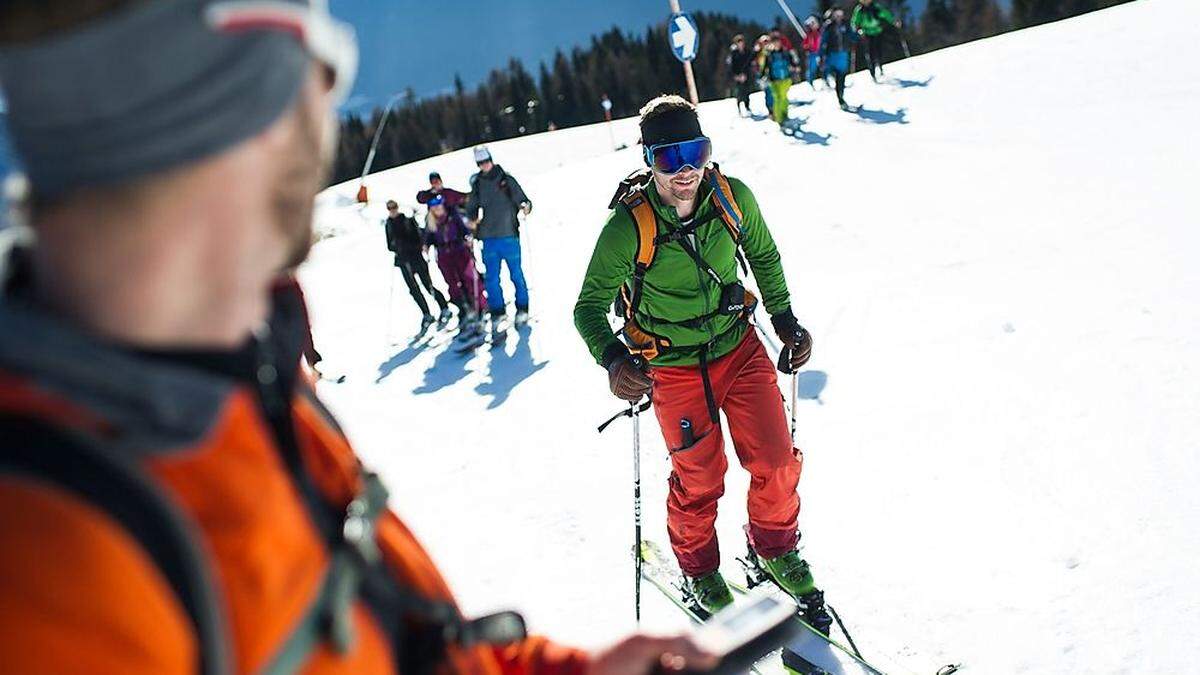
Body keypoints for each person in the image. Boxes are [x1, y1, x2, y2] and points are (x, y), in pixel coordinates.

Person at [0, 2, 715, 674]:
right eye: (319, 44)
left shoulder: (251, 382)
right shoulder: (50, 572)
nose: (331, 89)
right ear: (247, 89)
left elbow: (398, 643)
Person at [573, 95, 830, 632]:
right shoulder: (628, 228)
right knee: (700, 477)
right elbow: (588, 308)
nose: (686, 169)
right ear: (649, 160)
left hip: (737, 350)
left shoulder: (732, 199)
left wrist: (786, 321)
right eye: (670, 157)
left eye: (696, 151)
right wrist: (614, 359)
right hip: (672, 367)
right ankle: (699, 570)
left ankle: (775, 551)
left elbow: (764, 255)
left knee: (777, 461)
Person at [465, 145, 532, 334]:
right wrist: (470, 220)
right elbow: (471, 207)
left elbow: (523, 199)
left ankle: (523, 308)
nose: (484, 165)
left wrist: (525, 206)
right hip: (488, 238)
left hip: (509, 235)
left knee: (515, 274)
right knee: (491, 279)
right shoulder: (477, 183)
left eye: (486, 161)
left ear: (491, 159)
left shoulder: (506, 179)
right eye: (480, 163)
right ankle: (498, 311)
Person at [385, 199, 451, 331]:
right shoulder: (389, 224)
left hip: (416, 257)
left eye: (394, 207)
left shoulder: (408, 220)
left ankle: (444, 307)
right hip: (403, 261)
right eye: (390, 208)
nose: (393, 210)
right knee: (413, 289)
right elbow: (389, 245)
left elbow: (419, 239)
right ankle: (426, 314)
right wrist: (396, 246)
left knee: (427, 285)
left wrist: (406, 245)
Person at [427, 193, 487, 337]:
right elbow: (428, 237)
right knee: (453, 284)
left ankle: (479, 307)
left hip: (460, 251)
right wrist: (426, 245)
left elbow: (463, 229)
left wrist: (467, 237)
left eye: (438, 206)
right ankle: (464, 310)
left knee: (469, 279)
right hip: (444, 255)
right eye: (434, 207)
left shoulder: (453, 216)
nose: (437, 209)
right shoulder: (431, 222)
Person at [851, 0, 901, 82]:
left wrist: (893, 21)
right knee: (870, 53)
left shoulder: (876, 7)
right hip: (867, 33)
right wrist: (856, 29)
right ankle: (872, 71)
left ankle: (880, 66)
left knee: (879, 51)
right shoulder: (859, 10)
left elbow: (886, 14)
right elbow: (854, 21)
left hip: (877, 31)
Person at [822, 6, 861, 110]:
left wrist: (857, 36)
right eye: (837, 15)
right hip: (832, 54)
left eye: (841, 14)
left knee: (841, 77)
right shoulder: (829, 26)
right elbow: (823, 40)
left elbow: (851, 35)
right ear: (833, 15)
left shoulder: (845, 25)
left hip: (843, 54)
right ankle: (827, 77)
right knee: (830, 70)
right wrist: (822, 53)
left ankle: (841, 98)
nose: (839, 17)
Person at [758, 32, 799, 126]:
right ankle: (779, 118)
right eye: (774, 42)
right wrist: (762, 76)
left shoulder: (785, 53)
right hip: (774, 80)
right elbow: (765, 67)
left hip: (785, 78)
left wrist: (794, 67)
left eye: (778, 42)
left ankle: (784, 114)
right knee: (777, 98)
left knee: (783, 97)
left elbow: (792, 62)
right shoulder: (769, 55)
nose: (776, 44)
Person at [726, 34, 756, 116]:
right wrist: (736, 75)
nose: (741, 44)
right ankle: (739, 108)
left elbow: (751, 60)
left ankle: (747, 106)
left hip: (746, 74)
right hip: (737, 75)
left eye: (742, 42)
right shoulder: (734, 53)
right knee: (739, 92)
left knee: (746, 91)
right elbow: (731, 65)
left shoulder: (747, 52)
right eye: (739, 42)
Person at [801, 15, 824, 88]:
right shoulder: (809, 34)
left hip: (821, 52)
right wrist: (806, 46)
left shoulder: (821, 32)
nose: (813, 26)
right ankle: (810, 81)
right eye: (811, 25)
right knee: (812, 68)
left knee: (824, 66)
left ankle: (826, 79)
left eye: (813, 24)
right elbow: (804, 44)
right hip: (812, 53)